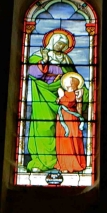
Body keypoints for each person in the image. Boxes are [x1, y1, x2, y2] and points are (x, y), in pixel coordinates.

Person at [25, 30, 77, 172]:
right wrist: (45, 60)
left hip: (63, 98)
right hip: (43, 96)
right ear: (52, 41)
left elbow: (74, 78)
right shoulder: (37, 56)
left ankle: (62, 161)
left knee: (62, 129)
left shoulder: (67, 60)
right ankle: (41, 161)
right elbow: (34, 73)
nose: (60, 47)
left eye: (63, 45)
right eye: (58, 43)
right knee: (43, 127)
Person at [55, 72, 87, 173]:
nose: (67, 81)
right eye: (67, 79)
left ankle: (71, 164)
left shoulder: (77, 93)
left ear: (74, 82)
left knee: (70, 140)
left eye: (70, 79)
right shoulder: (63, 91)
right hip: (61, 119)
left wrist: (61, 96)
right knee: (62, 140)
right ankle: (63, 163)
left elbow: (72, 105)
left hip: (71, 119)